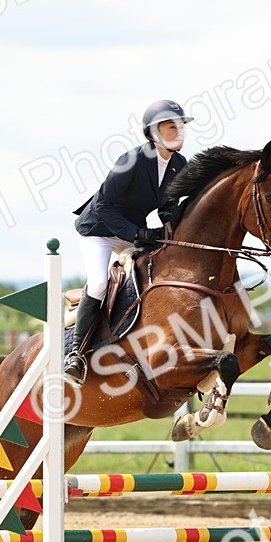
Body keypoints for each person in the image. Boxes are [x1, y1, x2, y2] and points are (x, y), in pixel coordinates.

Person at [66, 99, 192, 384]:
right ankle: (76, 353)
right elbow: (103, 206)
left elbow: (166, 206)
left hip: (131, 231)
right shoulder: (131, 161)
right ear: (154, 133)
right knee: (99, 283)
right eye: (171, 126)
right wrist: (137, 234)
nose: (179, 131)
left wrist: (173, 227)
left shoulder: (179, 164)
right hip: (98, 230)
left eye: (180, 126)